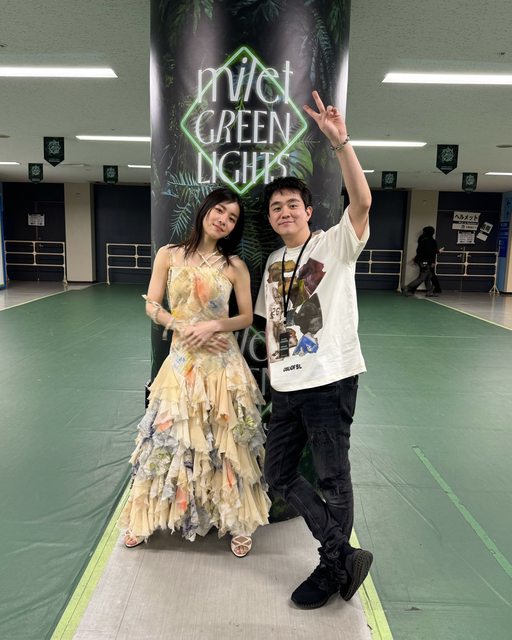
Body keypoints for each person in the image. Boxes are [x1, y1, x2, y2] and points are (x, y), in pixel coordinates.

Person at [254, 91, 373, 609]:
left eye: (292, 205)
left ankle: (330, 567)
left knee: (332, 478)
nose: (284, 212)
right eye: (275, 207)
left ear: (308, 210)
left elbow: (362, 203)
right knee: (277, 472)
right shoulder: (271, 263)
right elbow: (272, 321)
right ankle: (343, 553)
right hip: (287, 386)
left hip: (329, 380)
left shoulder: (334, 244)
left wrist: (340, 142)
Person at [120, 187, 270, 557]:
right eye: (219, 211)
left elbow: (246, 317)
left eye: (232, 218)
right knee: (168, 438)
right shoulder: (169, 255)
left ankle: (238, 521)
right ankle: (146, 517)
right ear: (205, 210)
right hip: (181, 362)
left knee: (228, 443)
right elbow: (152, 304)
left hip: (222, 364)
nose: (224, 220)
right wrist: (179, 325)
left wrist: (213, 326)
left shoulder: (234, 266)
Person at [403, 226, 442, 297]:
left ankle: (430, 291)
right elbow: (431, 253)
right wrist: (433, 261)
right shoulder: (432, 241)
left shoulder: (422, 240)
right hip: (427, 261)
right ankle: (408, 287)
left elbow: (419, 251)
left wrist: (416, 259)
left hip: (421, 261)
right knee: (422, 277)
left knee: (428, 276)